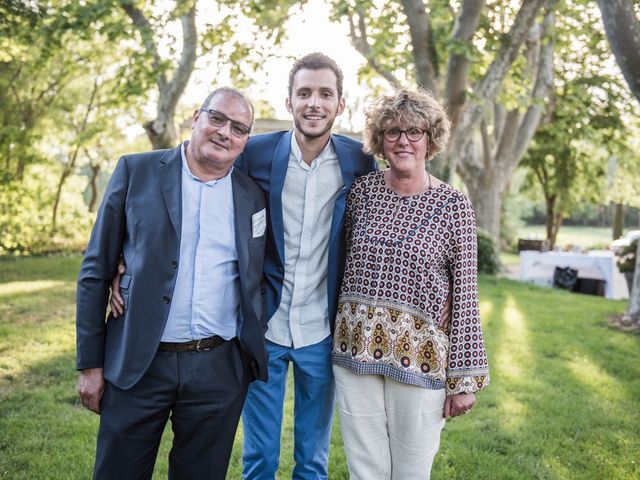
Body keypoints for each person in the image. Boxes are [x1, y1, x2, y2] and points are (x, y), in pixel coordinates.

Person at [76, 87, 268, 480]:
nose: (224, 133)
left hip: (218, 368)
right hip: (138, 363)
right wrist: (90, 364)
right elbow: (95, 270)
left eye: (238, 128)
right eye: (216, 118)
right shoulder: (137, 171)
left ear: (245, 141)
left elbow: (259, 276)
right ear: (196, 117)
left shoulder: (252, 196)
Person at [331, 88, 490, 479]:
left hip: (421, 358)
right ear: (380, 141)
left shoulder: (454, 205)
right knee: (364, 471)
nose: (403, 140)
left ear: (430, 138)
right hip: (356, 352)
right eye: (392, 132)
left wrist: (463, 378)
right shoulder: (362, 193)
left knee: (410, 472)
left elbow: (466, 296)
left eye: (414, 131)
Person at [235, 53, 378, 479]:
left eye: (324, 94)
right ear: (288, 102)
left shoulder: (360, 161)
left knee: (312, 462)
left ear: (340, 104)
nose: (313, 103)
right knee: (259, 457)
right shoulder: (255, 153)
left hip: (322, 327)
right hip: (266, 325)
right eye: (304, 93)